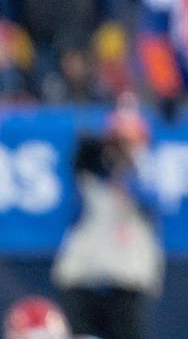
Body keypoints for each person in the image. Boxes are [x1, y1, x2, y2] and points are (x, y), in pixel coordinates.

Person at [52, 105, 162, 339]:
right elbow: (73, 207)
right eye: (118, 141)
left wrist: (126, 172)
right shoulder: (92, 172)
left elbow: (150, 199)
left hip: (126, 276)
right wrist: (92, 162)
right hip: (83, 274)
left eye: (130, 141)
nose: (123, 147)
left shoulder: (150, 171)